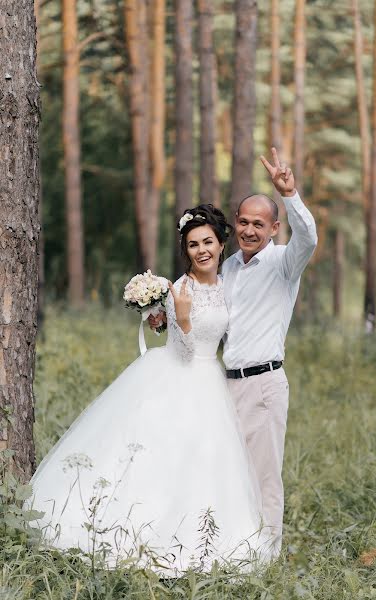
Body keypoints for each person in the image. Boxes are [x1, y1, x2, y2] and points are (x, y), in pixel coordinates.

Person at [30, 204, 271, 575]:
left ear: (222, 244)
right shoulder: (180, 290)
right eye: (192, 245)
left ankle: (208, 534)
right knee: (163, 456)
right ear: (185, 251)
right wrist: (183, 318)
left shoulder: (228, 285)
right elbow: (186, 350)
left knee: (208, 460)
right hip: (181, 375)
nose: (201, 250)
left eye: (207, 241)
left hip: (213, 383)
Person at [222, 148, 318, 557]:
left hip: (264, 384)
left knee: (264, 477)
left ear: (274, 228)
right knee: (229, 471)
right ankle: (232, 549)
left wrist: (290, 192)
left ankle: (265, 560)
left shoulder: (284, 263)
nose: (248, 230)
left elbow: (309, 237)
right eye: (243, 222)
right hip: (225, 387)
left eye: (258, 224)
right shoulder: (227, 267)